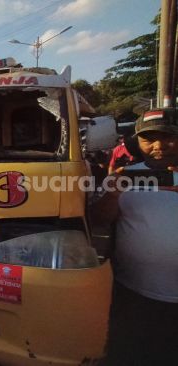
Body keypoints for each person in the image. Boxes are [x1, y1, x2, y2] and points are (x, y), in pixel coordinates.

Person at [91, 108, 178, 365]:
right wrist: (113, 194)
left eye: (169, 136)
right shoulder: (123, 175)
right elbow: (98, 220)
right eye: (148, 138)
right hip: (132, 295)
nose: (158, 145)